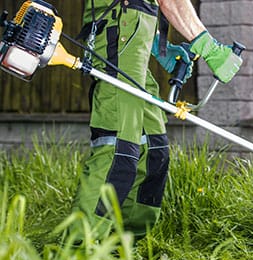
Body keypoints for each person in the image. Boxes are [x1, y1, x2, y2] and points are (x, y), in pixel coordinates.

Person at [70, 0, 242, 242]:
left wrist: (159, 48)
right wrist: (209, 47)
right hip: (118, 39)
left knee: (153, 148)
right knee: (117, 150)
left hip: (130, 43)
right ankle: (78, 255)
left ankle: (123, 246)